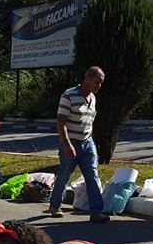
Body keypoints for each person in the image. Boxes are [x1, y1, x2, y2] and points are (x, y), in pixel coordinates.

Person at [47, 66, 109, 223]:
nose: (99, 86)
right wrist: (67, 145)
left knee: (93, 176)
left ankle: (96, 211)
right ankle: (55, 206)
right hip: (71, 143)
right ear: (87, 79)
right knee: (64, 175)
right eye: (97, 82)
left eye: (101, 83)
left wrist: (89, 139)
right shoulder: (69, 96)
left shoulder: (92, 98)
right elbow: (61, 122)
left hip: (87, 143)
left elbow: (88, 121)